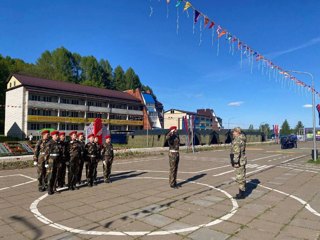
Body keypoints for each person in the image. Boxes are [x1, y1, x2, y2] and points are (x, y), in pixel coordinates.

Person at [230, 127, 247, 199]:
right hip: (242, 160)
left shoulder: (237, 140)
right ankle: (241, 192)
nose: (233, 133)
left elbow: (237, 152)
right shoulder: (242, 139)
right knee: (241, 176)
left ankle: (241, 194)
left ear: (237, 132)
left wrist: (235, 162)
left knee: (240, 177)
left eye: (234, 132)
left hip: (239, 161)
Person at [44, 130, 62, 195]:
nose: (57, 136)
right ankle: (49, 189)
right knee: (50, 176)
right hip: (51, 161)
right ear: (52, 136)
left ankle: (54, 188)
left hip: (57, 161)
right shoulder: (49, 143)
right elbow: (46, 154)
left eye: (57, 135)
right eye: (56, 135)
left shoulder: (58, 143)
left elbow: (60, 153)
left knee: (56, 175)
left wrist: (60, 162)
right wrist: (46, 163)